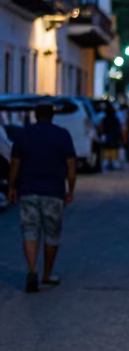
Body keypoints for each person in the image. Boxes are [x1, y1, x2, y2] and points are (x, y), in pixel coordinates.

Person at [8, 102, 77, 293]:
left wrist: (12, 187)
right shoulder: (62, 135)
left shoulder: (23, 134)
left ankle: (32, 270)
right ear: (52, 116)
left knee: (30, 231)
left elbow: (15, 163)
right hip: (53, 192)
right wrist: (70, 189)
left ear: (35, 116)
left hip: (28, 190)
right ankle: (47, 274)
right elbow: (71, 165)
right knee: (52, 234)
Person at [98, 102, 123, 170]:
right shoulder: (116, 117)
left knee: (107, 149)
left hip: (107, 135)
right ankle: (114, 163)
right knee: (114, 149)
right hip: (114, 136)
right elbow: (119, 127)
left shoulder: (104, 117)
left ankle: (108, 162)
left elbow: (102, 127)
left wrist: (102, 134)